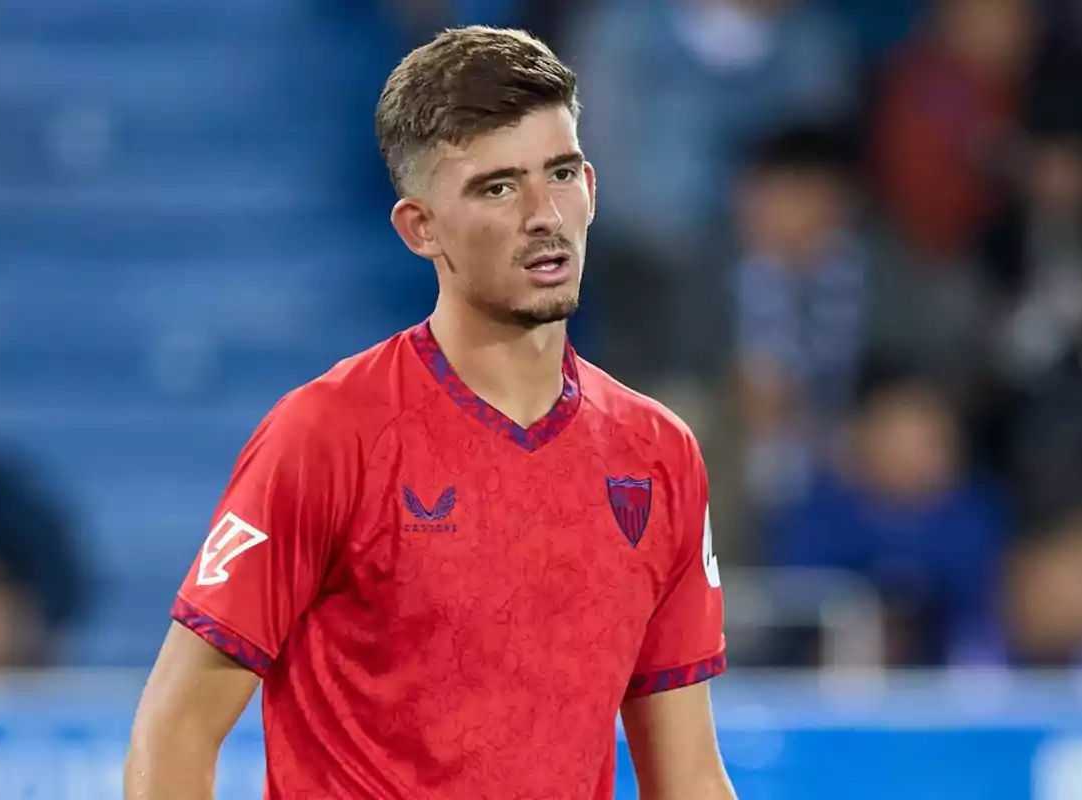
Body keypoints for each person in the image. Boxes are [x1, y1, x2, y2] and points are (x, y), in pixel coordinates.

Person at [125, 26, 733, 800]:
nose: (544, 214)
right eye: (498, 187)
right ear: (420, 229)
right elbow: (174, 732)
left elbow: (688, 777)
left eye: (562, 173)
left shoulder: (659, 455)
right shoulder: (328, 434)